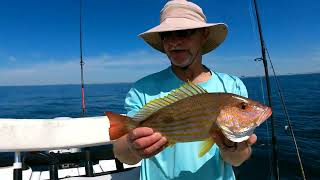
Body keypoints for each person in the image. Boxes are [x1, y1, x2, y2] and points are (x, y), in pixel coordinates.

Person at [113, 0, 257, 179]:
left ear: (204, 35)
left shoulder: (232, 86)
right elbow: (121, 154)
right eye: (166, 35)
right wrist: (131, 145)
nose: (174, 42)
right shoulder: (143, 89)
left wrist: (235, 148)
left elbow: (236, 160)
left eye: (183, 32)